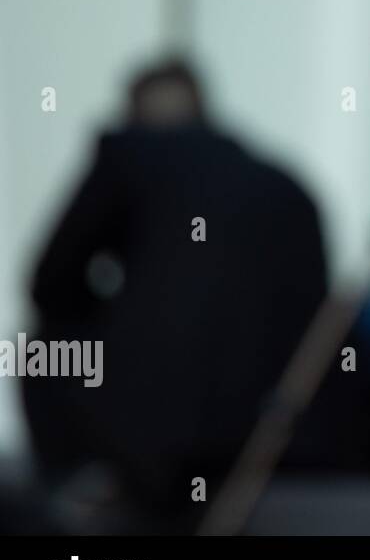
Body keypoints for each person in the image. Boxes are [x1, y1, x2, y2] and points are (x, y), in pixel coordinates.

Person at [23, 56, 329, 531]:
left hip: (154, 441)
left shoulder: (131, 156)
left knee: (44, 345)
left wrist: (119, 319)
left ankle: (75, 487)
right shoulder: (284, 183)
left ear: (133, 116)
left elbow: (49, 282)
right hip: (277, 433)